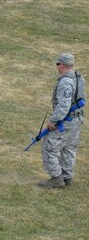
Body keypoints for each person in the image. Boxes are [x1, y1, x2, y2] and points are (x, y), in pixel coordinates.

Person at [39, 53, 85, 188]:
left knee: (49, 147)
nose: (56, 67)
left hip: (65, 121)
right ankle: (67, 178)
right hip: (76, 120)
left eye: (57, 64)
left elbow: (63, 106)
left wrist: (53, 121)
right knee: (69, 149)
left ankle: (56, 177)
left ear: (62, 65)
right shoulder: (79, 78)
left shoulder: (65, 81)